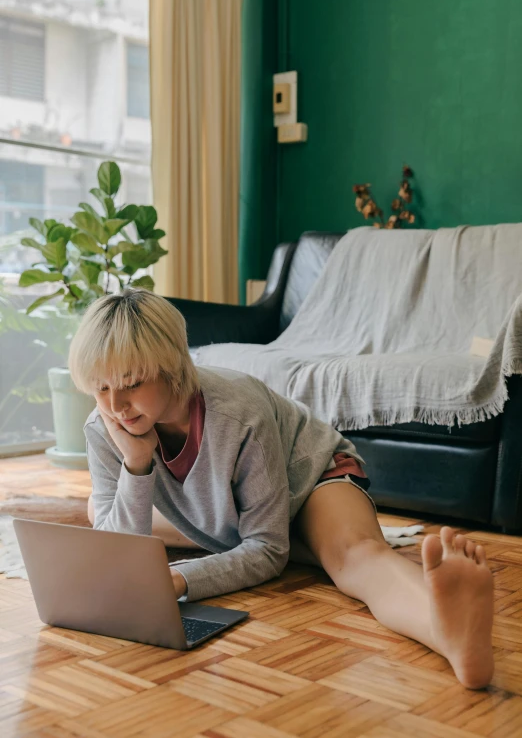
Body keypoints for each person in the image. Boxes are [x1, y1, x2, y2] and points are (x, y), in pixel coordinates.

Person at [68, 288, 494, 690]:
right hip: (238, 512)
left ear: (172, 364)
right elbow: (118, 559)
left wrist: (178, 579)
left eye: (130, 383)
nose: (115, 405)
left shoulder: (237, 411)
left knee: (354, 557)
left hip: (309, 482)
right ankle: (313, 552)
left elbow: (267, 550)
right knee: (99, 510)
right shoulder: (105, 427)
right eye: (101, 387)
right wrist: (137, 464)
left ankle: (445, 628)